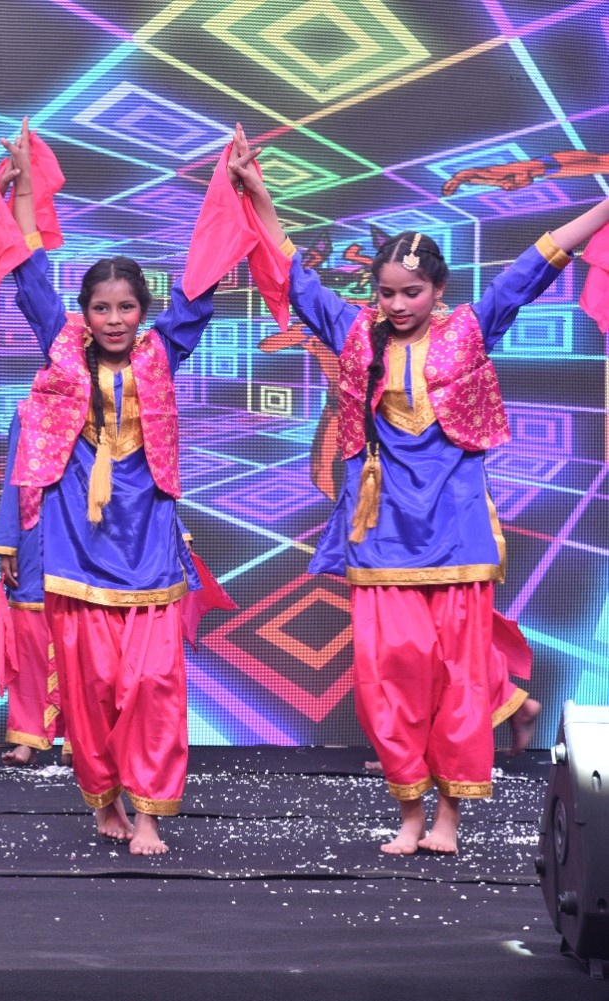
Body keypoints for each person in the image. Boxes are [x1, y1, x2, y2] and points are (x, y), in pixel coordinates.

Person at [230, 124, 609, 854]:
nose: (398, 304)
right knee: (385, 677)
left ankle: (446, 819)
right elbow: (293, 275)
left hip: (457, 534)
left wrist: (605, 206)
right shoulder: (355, 334)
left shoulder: (468, 330)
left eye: (412, 292)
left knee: (459, 681)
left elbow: (535, 265)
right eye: (387, 292)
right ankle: (409, 810)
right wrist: (258, 194)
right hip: (380, 534)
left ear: (439, 291)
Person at [0, 123, 231, 855]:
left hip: (149, 542)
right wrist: (24, 189)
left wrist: (231, 193)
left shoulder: (162, 353)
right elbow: (31, 273)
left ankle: (149, 812)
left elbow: (200, 286)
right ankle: (104, 798)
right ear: (85, 313)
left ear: (143, 311)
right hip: (78, 543)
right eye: (102, 308)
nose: (115, 319)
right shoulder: (63, 349)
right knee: (92, 687)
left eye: (127, 307)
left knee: (153, 682)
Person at [0, 410, 65, 767]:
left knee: (87, 635)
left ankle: (81, 738)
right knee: (29, 632)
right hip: (36, 535)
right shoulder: (29, 412)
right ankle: (27, 735)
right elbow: (13, 480)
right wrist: (7, 543)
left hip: (91, 535)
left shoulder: (108, 404)